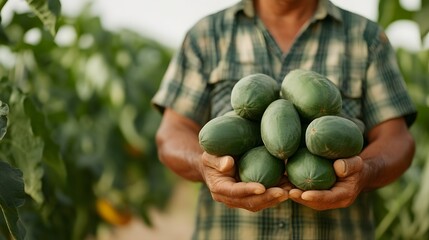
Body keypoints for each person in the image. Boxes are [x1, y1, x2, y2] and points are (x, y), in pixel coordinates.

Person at [152, 0, 417, 239]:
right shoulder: (206, 36)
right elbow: (172, 133)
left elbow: (397, 139)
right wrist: (204, 166)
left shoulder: (366, 38)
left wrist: (366, 171)